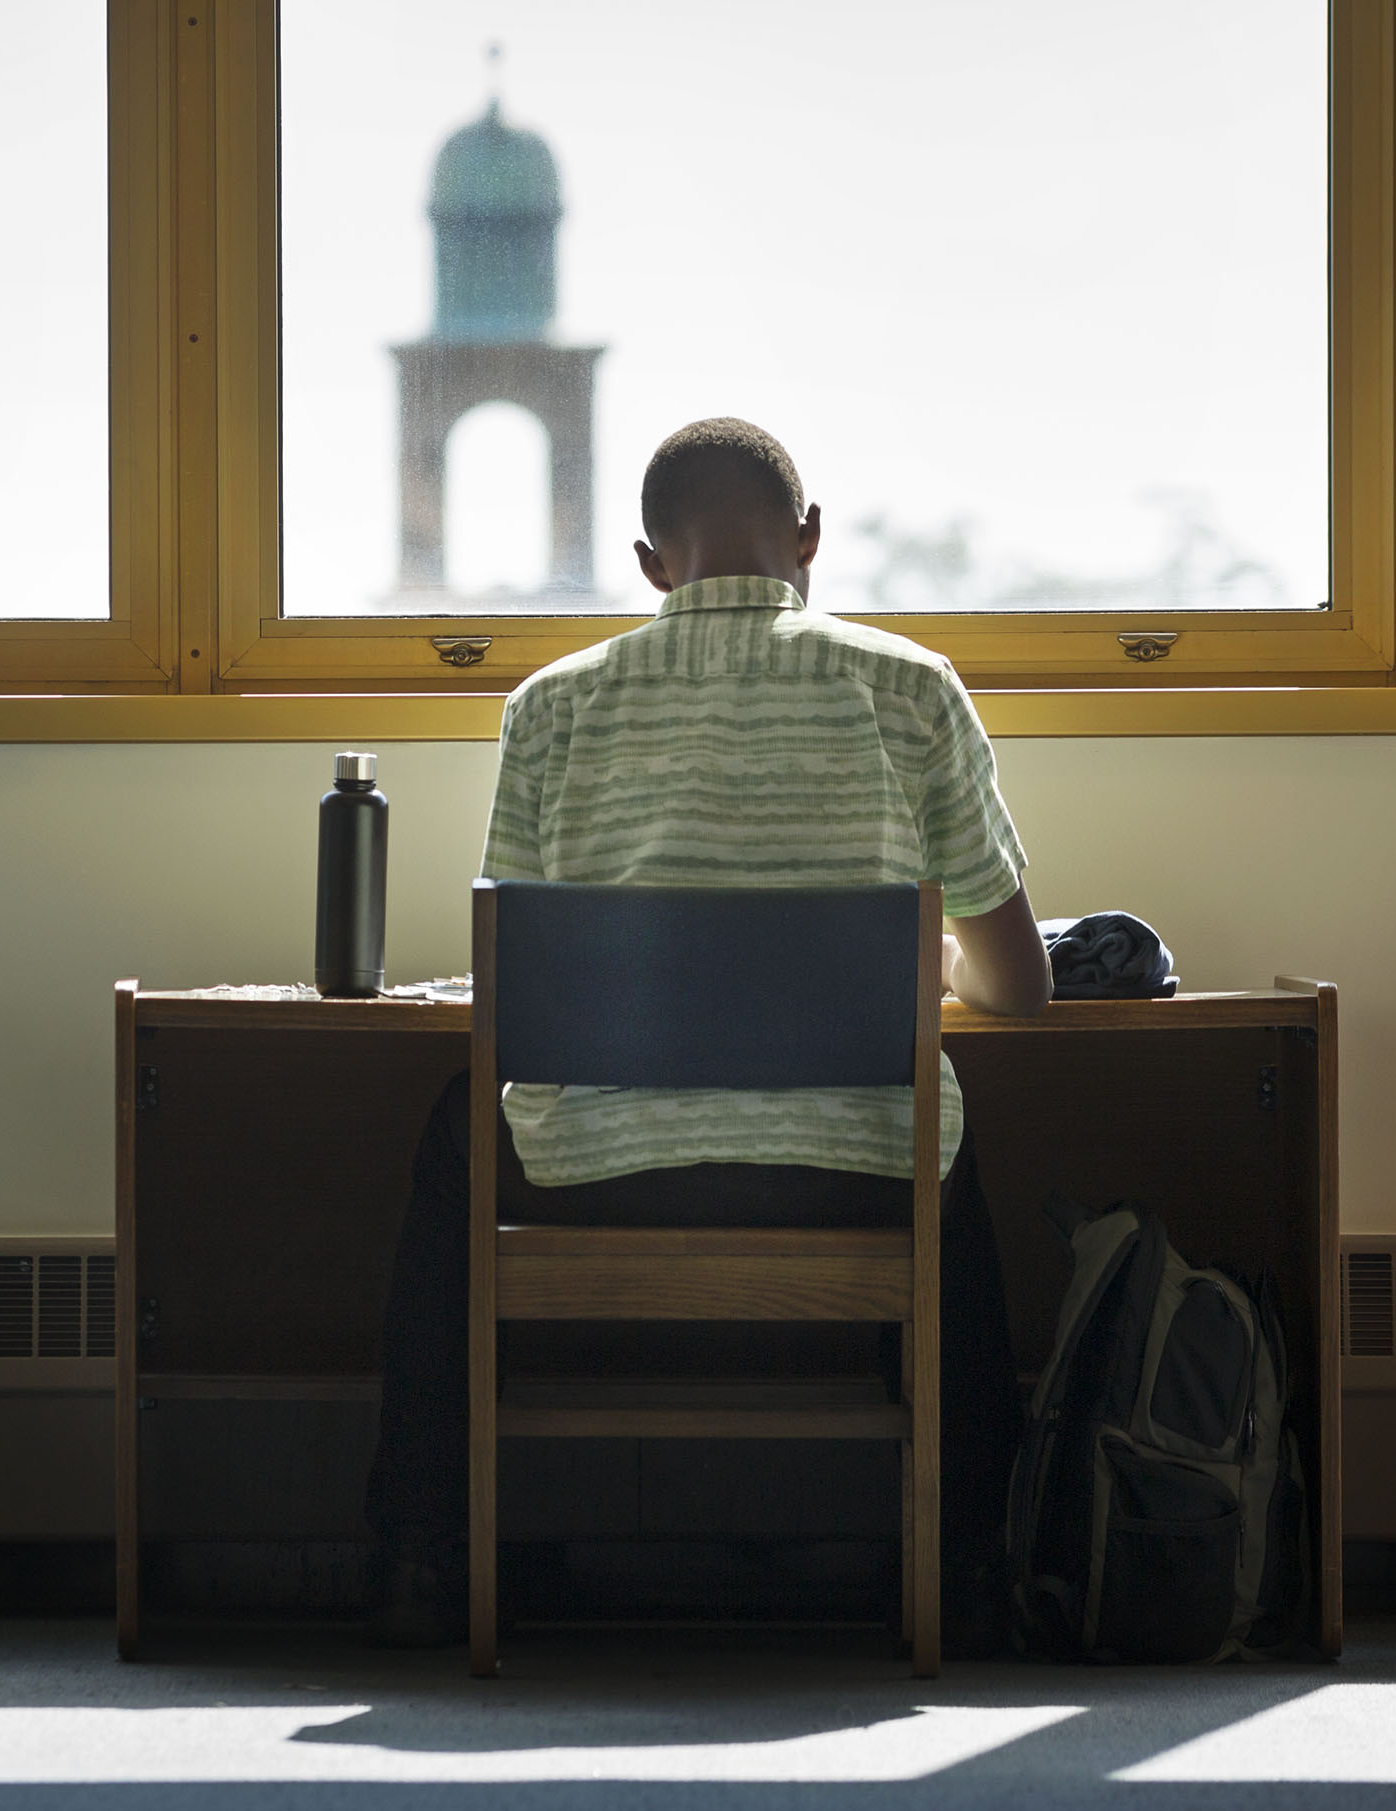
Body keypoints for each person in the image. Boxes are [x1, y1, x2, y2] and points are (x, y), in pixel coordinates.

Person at [361, 417, 1054, 1649]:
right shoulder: (912, 688)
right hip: (854, 1174)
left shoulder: (549, 708)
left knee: (444, 1136)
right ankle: (975, 1567)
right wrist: (930, 963)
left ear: (648, 563)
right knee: (950, 1143)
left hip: (595, 1177)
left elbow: (507, 979)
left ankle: (423, 1549)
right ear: (811, 538)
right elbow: (1021, 989)